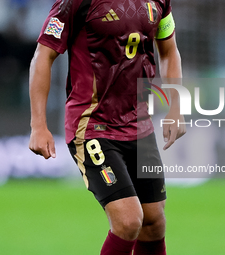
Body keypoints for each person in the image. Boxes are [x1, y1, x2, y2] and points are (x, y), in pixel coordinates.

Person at [29, 0, 185, 254]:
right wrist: (38, 125)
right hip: (92, 125)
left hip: (139, 126)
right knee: (129, 220)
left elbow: (169, 50)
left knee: (154, 222)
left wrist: (176, 107)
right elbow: (43, 55)